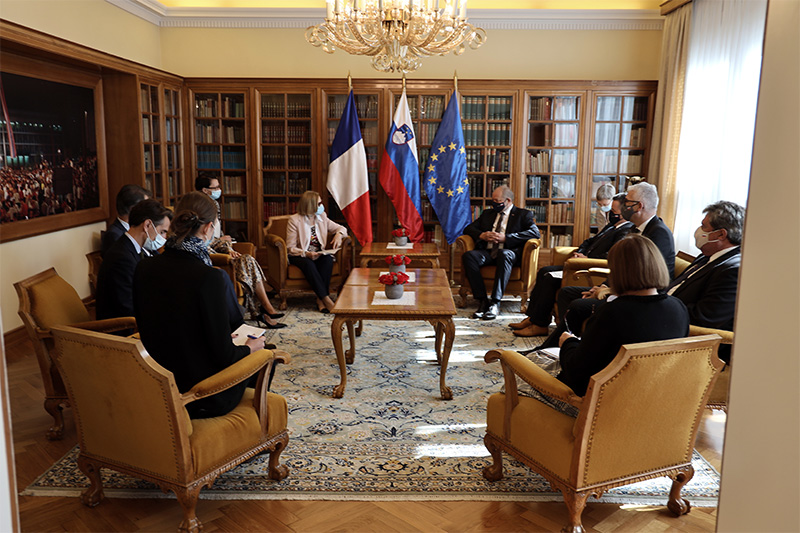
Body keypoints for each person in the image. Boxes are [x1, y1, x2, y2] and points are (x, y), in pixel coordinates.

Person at [133, 192, 271, 419]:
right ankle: (255, 427)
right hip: (204, 393)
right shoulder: (209, 278)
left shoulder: (144, 268)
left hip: (158, 385)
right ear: (208, 228)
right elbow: (224, 356)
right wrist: (250, 348)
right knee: (266, 353)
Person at [521, 235, 689, 417]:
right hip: (654, 405)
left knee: (523, 369)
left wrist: (567, 343)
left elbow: (577, 374)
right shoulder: (678, 308)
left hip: (601, 407)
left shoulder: (613, 313)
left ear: (618, 272)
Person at [511, 191, 633, 337]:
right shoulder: (611, 226)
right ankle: (532, 318)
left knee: (549, 277)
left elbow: (610, 255)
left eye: (613, 211)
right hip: (580, 261)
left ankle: (540, 324)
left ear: (623, 213)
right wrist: (580, 252)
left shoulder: (626, 230)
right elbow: (588, 241)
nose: (610, 214)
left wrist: (586, 258)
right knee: (544, 271)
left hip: (587, 267)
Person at [195, 174, 285, 329]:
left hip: (220, 249)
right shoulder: (198, 211)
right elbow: (202, 242)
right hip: (212, 257)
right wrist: (224, 247)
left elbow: (215, 236)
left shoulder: (214, 206)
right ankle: (265, 309)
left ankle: (264, 309)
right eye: (215, 187)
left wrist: (228, 248)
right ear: (205, 190)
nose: (219, 190)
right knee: (246, 265)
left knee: (247, 259)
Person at [462, 185, 540, 321]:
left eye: (497, 201)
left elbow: (534, 233)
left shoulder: (523, 214)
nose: (494, 204)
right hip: (488, 252)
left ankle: (495, 302)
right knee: (469, 256)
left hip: (508, 253)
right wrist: (482, 235)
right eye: (492, 200)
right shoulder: (488, 214)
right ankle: (482, 300)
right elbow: (468, 229)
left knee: (504, 254)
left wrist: (506, 238)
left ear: (508, 201)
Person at [96, 199, 172, 322]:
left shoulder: (138, 249)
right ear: (147, 225)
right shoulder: (121, 257)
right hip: (122, 327)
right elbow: (127, 307)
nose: (164, 238)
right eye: (162, 232)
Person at [286, 190, 348, 313]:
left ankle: (320, 300)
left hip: (319, 253)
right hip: (299, 255)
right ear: (310, 205)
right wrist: (306, 254)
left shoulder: (322, 217)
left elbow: (341, 228)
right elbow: (290, 247)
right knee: (308, 264)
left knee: (328, 260)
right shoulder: (294, 220)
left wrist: (338, 235)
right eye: (319, 204)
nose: (322, 206)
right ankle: (326, 299)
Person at [101, 184, 150, 256]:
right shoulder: (114, 235)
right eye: (146, 207)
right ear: (133, 209)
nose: (149, 211)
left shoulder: (140, 228)